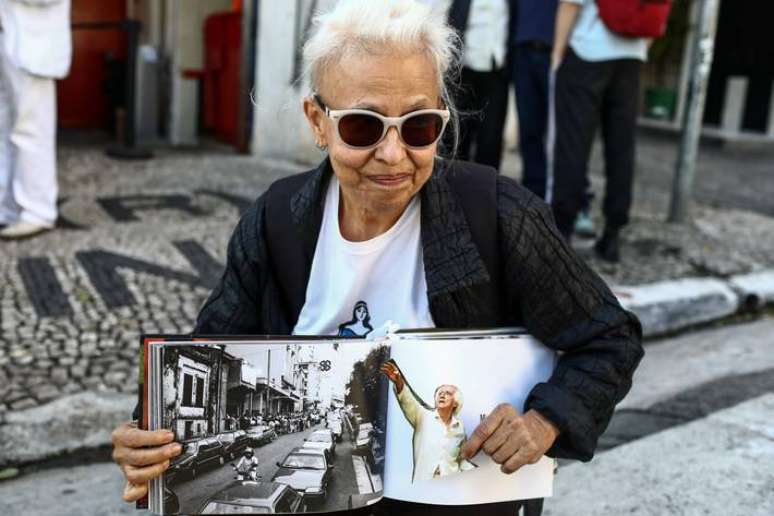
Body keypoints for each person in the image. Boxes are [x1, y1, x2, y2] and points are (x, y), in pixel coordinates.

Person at [111, 1, 643, 515]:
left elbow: (608, 339)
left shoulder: (500, 215)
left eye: (419, 126)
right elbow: (207, 350)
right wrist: (147, 435)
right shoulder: (276, 221)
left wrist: (543, 422)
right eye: (363, 126)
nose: (392, 154)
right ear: (318, 122)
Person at [548, 0, 649, 261]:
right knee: (621, 147)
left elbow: (571, 4)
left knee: (573, 144)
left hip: (587, 53)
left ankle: (563, 232)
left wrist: (558, 53)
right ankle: (613, 235)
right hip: (632, 57)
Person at [0, 0, 72, 239]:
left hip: (31, 47)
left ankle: (37, 212)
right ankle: (7, 209)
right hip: (8, 39)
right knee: (4, 130)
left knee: (32, 131)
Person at [443, 0, 512, 170]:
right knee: (461, 135)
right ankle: (455, 184)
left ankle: (488, 186)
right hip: (465, 72)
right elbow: (453, 25)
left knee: (491, 136)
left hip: (496, 71)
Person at [381, 361, 476, 481]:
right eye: (440, 393)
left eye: (448, 393)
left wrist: (479, 472)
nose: (442, 395)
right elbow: (407, 399)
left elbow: (460, 460)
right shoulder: (423, 416)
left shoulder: (460, 428)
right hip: (423, 485)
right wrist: (398, 380)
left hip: (451, 484)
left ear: (456, 402)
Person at [510, 0, 558, 200]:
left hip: (557, 52)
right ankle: (532, 194)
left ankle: (575, 198)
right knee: (528, 128)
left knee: (564, 133)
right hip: (522, 49)